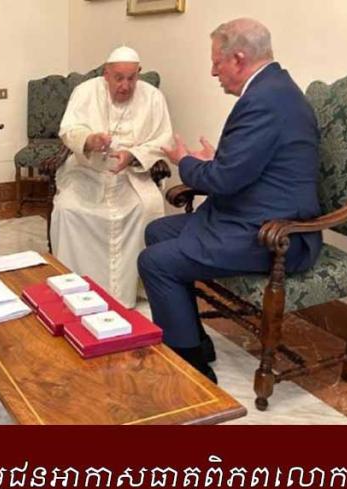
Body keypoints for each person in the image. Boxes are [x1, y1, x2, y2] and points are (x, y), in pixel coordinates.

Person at [138, 18, 322, 382]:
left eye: (216, 62)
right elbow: (251, 165)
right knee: (158, 231)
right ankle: (195, 340)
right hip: (251, 213)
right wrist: (216, 161)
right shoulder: (273, 90)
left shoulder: (265, 100)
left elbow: (223, 180)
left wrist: (184, 161)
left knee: (155, 262)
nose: (212, 72)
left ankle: (190, 366)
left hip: (275, 234)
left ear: (238, 58)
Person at [50, 46, 173, 308]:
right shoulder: (85, 91)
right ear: (106, 74)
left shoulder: (153, 97)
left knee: (145, 208)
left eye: (131, 78)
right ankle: (74, 287)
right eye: (119, 78)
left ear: (139, 73)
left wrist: (133, 155)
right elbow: (68, 129)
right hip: (87, 172)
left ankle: (130, 289)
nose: (125, 86)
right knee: (67, 209)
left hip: (132, 176)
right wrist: (89, 140)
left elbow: (164, 139)